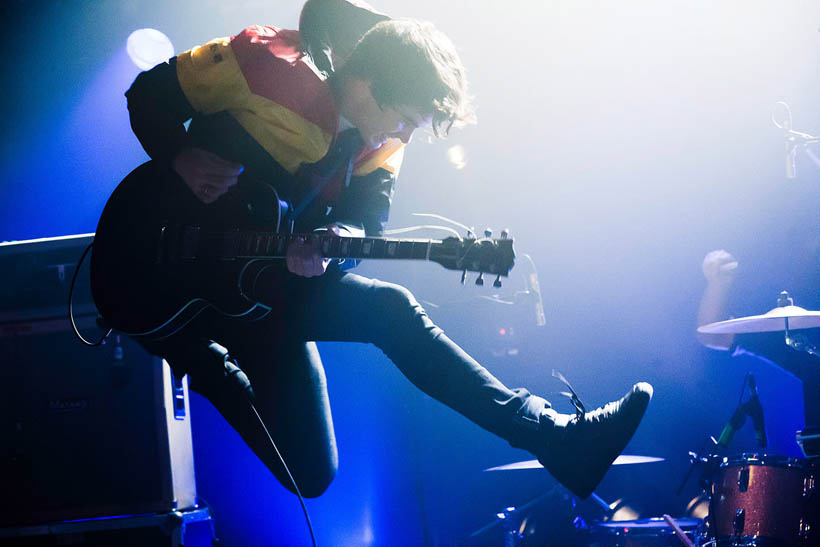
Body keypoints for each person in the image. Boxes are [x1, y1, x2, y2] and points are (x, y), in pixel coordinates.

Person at [120, 0, 652, 500]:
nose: (404, 134)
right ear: (368, 83)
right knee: (391, 310)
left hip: (263, 296)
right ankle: (556, 438)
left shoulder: (388, 142)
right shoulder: (263, 60)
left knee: (311, 474)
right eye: (405, 117)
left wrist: (339, 245)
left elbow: (364, 221)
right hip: (149, 262)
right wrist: (178, 156)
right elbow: (146, 96)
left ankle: (215, 362)